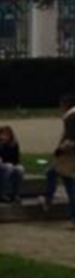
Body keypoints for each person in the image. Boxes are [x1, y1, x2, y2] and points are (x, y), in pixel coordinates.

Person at [42, 95, 75, 227]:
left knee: (69, 183)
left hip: (69, 154)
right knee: (52, 172)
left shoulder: (70, 117)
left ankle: (48, 201)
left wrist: (60, 150)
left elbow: (71, 139)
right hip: (69, 153)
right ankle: (48, 199)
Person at [0, 125, 24, 203]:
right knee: (8, 167)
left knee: (20, 169)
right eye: (2, 134)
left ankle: (16, 194)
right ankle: (2, 193)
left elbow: (16, 159)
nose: (4, 137)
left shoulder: (14, 144)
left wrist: (15, 164)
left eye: (7, 135)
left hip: (11, 164)